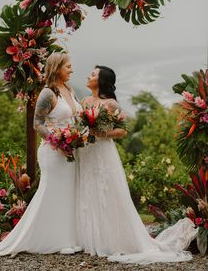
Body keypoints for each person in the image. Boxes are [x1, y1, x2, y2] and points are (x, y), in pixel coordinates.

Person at [76, 65, 198, 265]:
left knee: (108, 193)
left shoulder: (111, 104)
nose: (89, 76)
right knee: (89, 191)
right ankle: (90, 239)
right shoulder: (84, 101)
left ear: (101, 81)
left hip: (103, 153)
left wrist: (101, 133)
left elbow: (122, 131)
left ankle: (111, 239)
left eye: (93, 74)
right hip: (86, 152)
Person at [0, 51, 82, 260]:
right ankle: (55, 241)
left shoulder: (69, 89)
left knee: (68, 193)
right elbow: (37, 124)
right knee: (53, 192)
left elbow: (76, 118)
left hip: (71, 150)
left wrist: (79, 136)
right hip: (52, 151)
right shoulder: (47, 93)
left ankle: (68, 238)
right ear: (57, 68)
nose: (72, 70)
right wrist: (57, 141)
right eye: (68, 66)